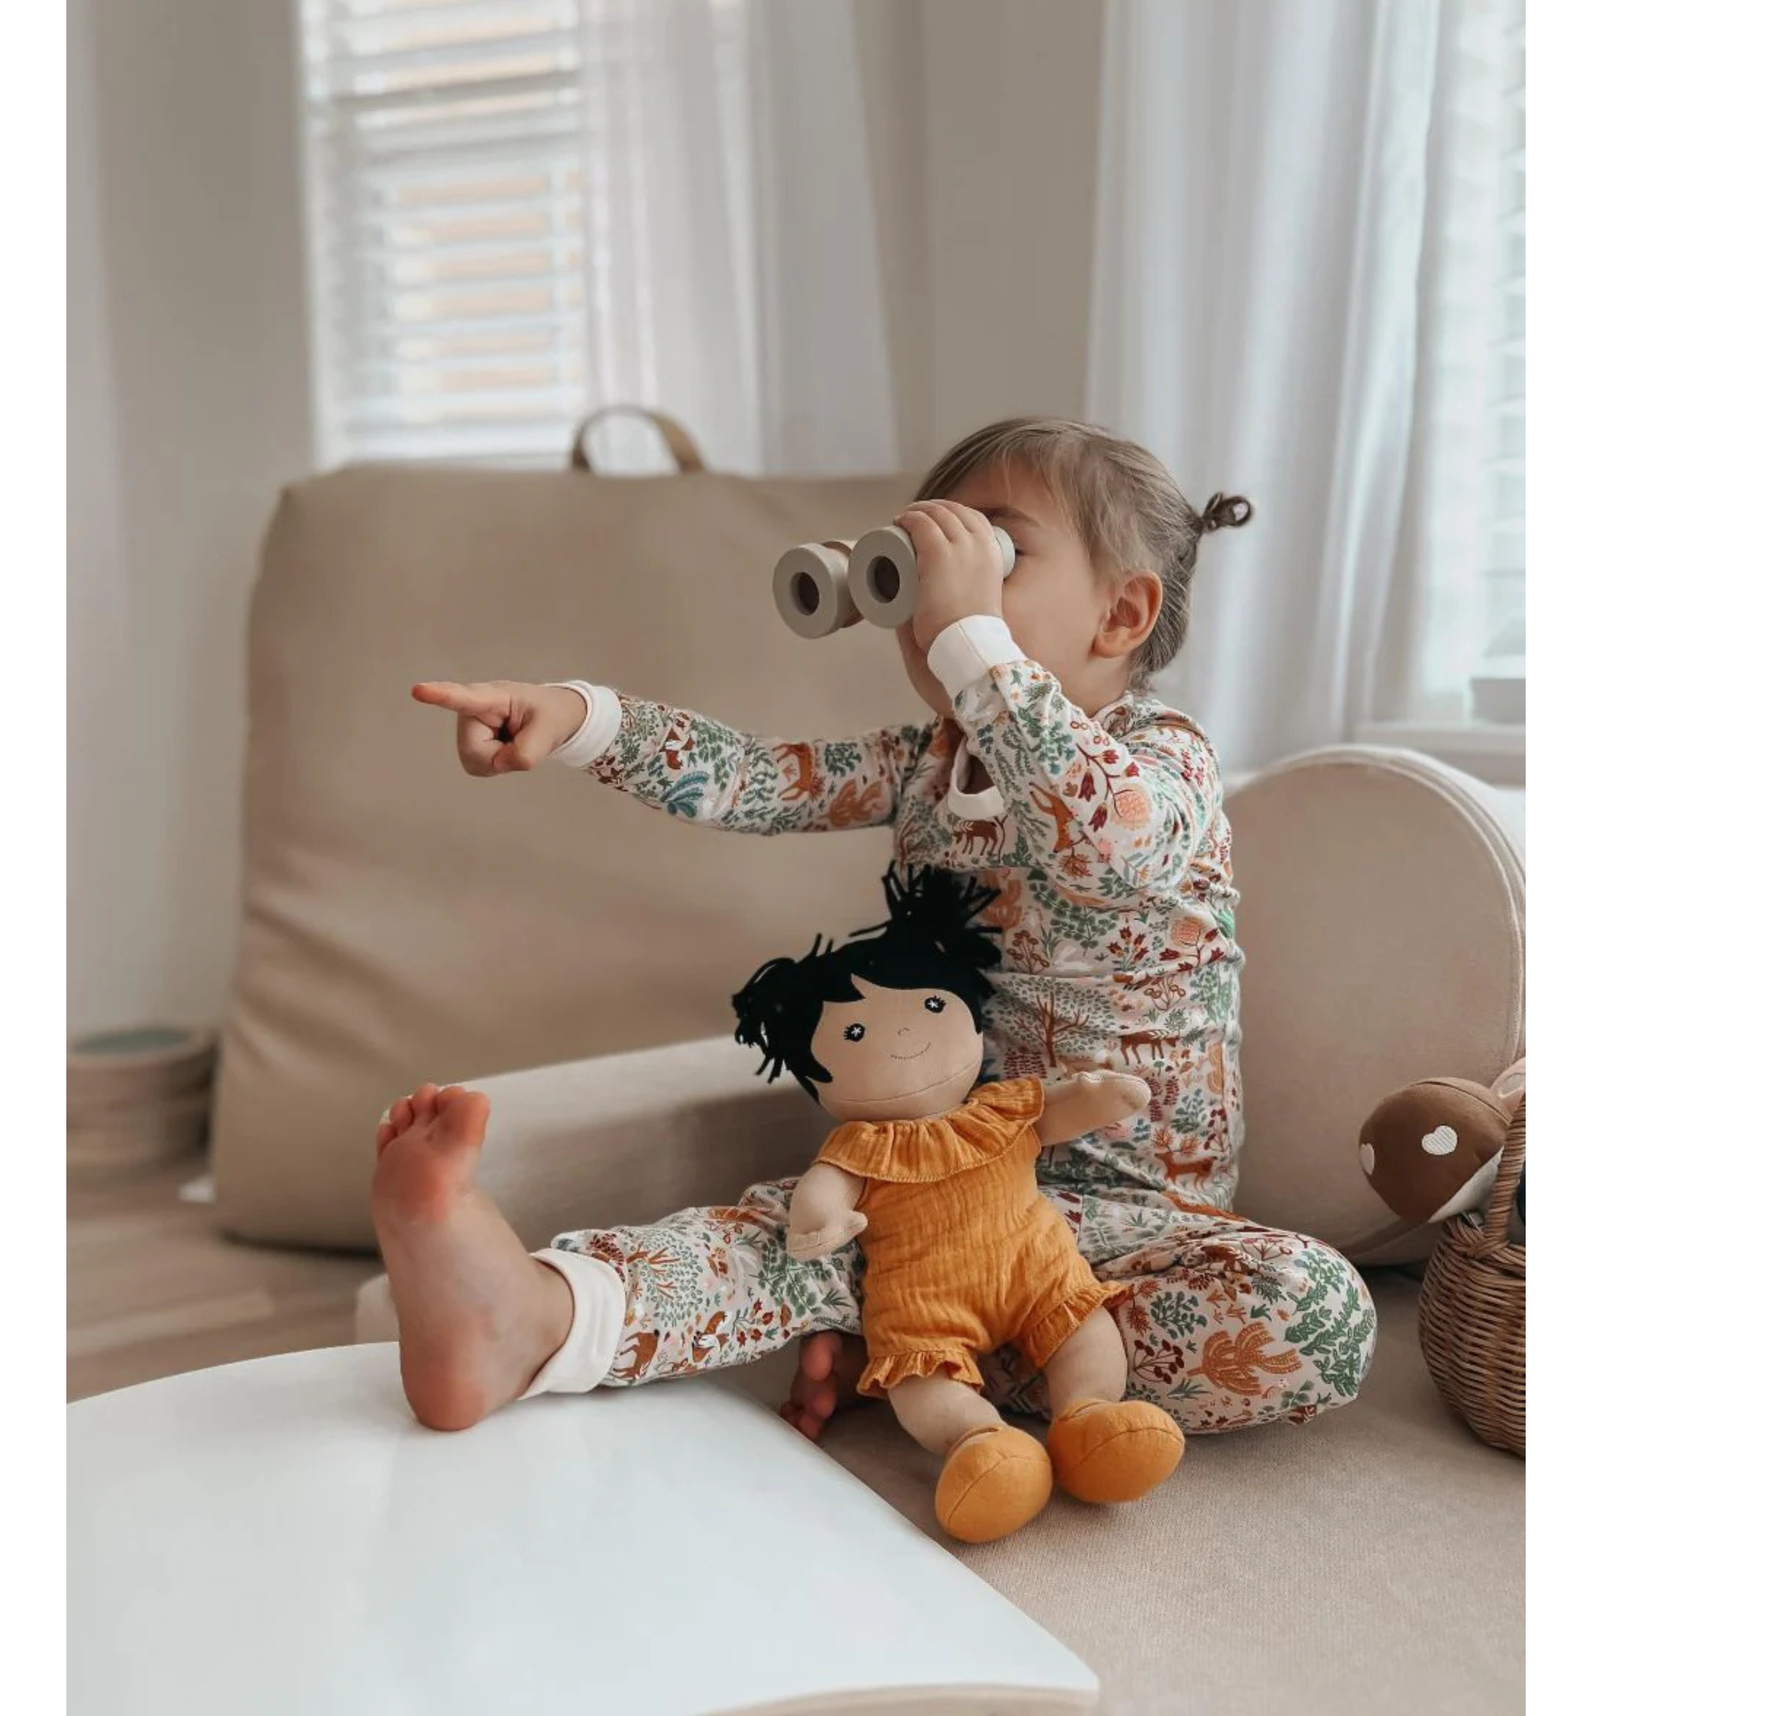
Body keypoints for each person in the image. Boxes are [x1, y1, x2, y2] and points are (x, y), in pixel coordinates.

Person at [372, 416, 1378, 1452]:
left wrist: (973, 640)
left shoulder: (1165, 759)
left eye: (991, 553)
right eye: (920, 563)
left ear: (1120, 614)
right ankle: (540, 1318)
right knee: (797, 1237)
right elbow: (757, 779)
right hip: (943, 1181)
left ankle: (912, 1339)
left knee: (1312, 1309)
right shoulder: (927, 761)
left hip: (1134, 1219)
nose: (935, 598)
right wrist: (578, 716)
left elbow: (1103, 845)